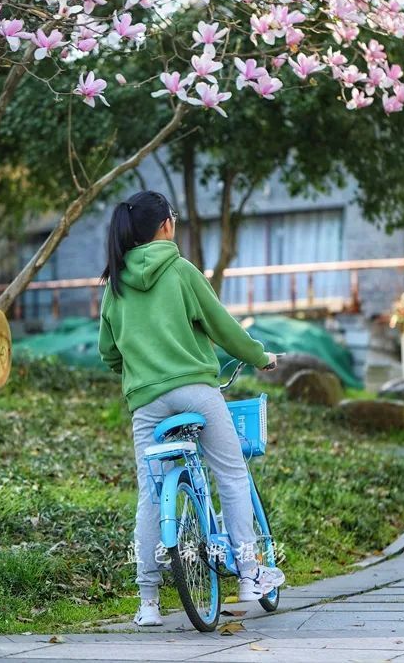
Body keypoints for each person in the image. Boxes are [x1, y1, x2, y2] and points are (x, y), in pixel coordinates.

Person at [98, 189, 285, 627]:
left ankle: (147, 602)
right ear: (166, 225)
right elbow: (223, 327)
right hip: (196, 390)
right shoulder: (181, 270)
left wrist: (139, 368)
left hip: (145, 402)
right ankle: (249, 573)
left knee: (149, 492)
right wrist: (260, 356)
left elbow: (109, 352)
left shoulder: (115, 285)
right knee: (232, 473)